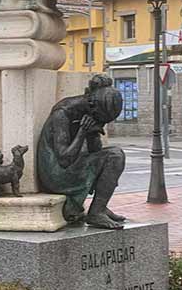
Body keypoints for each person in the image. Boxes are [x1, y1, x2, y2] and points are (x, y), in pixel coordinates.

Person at [37, 75, 128, 229]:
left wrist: (93, 135)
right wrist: (82, 132)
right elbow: (64, 160)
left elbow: (95, 153)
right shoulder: (63, 113)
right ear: (93, 107)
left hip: (72, 165)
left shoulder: (87, 113)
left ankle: (99, 207)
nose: (101, 123)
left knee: (114, 157)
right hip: (55, 175)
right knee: (115, 155)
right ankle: (96, 213)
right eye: (100, 120)